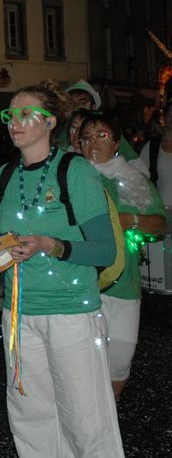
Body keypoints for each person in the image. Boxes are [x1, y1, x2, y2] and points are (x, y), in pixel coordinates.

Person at [0, 80, 124, 457]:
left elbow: (104, 250)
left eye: (27, 113)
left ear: (51, 122)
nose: (15, 121)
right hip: (18, 313)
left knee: (85, 419)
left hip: (71, 312)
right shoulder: (6, 176)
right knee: (30, 416)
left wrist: (49, 244)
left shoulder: (74, 171)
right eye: (11, 114)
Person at [79, 112, 167, 400]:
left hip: (123, 283)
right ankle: (94, 420)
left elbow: (161, 224)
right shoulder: (72, 180)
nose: (93, 142)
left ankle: (109, 406)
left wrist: (131, 219)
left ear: (116, 142)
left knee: (119, 359)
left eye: (101, 135)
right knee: (84, 360)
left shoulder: (132, 180)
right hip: (80, 284)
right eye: (87, 137)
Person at [141, 102, 172, 208]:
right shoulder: (153, 145)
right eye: (171, 112)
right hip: (163, 209)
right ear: (164, 117)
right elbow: (140, 173)